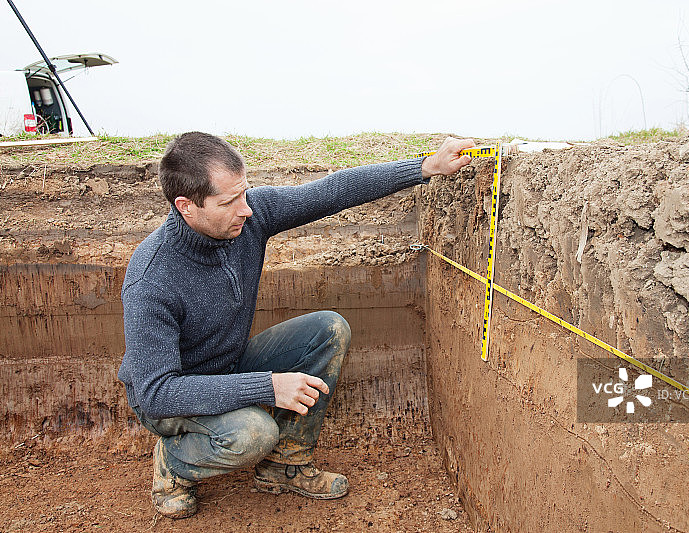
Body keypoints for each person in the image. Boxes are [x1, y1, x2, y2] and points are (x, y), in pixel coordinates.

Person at [117, 131, 475, 519]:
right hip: (171, 398)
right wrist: (268, 387)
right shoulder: (152, 278)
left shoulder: (248, 217)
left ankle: (284, 464)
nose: (246, 209)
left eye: (244, 193)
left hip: (225, 366)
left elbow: (333, 191)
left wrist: (426, 167)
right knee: (253, 434)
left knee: (327, 330)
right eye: (229, 202)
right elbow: (156, 392)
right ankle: (174, 462)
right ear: (186, 206)